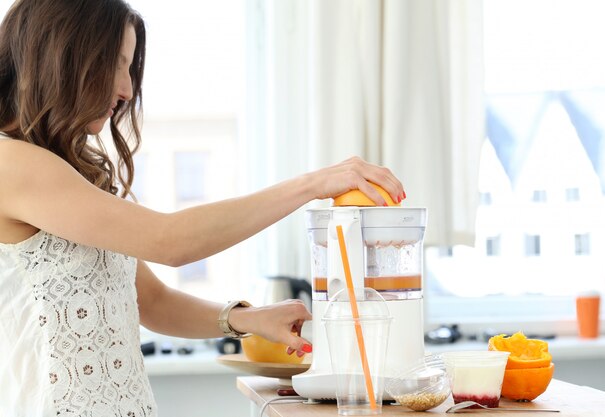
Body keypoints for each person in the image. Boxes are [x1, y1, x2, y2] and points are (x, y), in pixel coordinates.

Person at [0, 0, 406, 416]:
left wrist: (246, 319)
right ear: (61, 55)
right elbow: (169, 240)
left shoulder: (61, 171)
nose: (125, 89)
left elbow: (151, 301)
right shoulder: (10, 164)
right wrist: (313, 184)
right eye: (115, 64)